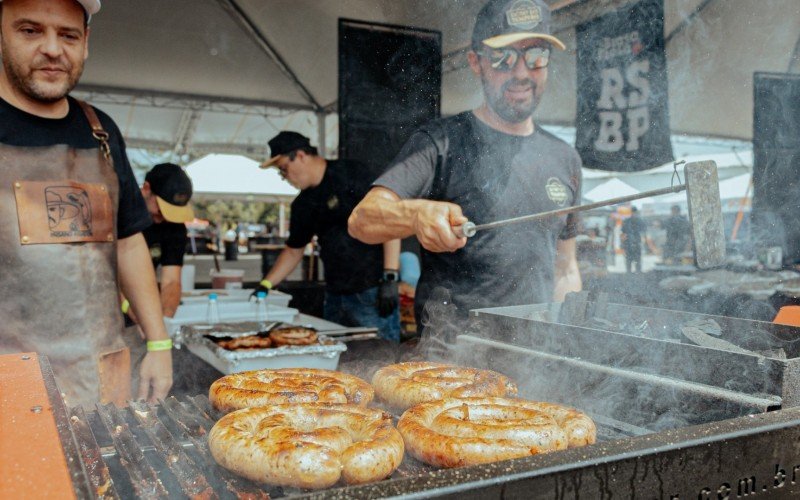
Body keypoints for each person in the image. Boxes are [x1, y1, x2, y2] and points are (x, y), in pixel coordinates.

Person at [348, 0, 582, 326]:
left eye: (536, 56)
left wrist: (566, 341)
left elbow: (566, 268)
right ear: (476, 62)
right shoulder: (440, 141)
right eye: (504, 58)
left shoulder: (564, 157)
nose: (521, 73)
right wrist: (415, 215)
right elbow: (362, 219)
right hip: (453, 357)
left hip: (535, 353)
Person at [0, 0, 172, 406]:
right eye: (30, 31)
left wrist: (159, 344)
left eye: (68, 35)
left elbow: (129, 243)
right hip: (11, 383)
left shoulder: (101, 132)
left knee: (108, 469)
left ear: (86, 42)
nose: (53, 49)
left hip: (102, 373)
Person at [252, 131, 401, 341]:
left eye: (284, 169)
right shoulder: (302, 204)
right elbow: (294, 250)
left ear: (301, 155)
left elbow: (390, 220)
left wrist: (390, 277)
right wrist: (265, 285)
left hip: (371, 292)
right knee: (337, 365)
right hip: (334, 295)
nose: (285, 177)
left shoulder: (352, 173)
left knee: (380, 358)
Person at [138, 163, 194, 318]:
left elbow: (171, 282)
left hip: (142, 300)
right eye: (161, 209)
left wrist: (165, 318)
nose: (163, 217)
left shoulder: (174, 227)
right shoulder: (121, 217)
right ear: (146, 189)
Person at [621, 206, 647, 273]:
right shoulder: (638, 221)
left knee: (634, 260)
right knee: (633, 260)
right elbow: (623, 233)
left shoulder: (629, 221)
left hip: (632, 243)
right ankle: (634, 273)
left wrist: (623, 244)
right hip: (632, 243)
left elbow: (623, 233)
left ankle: (632, 273)